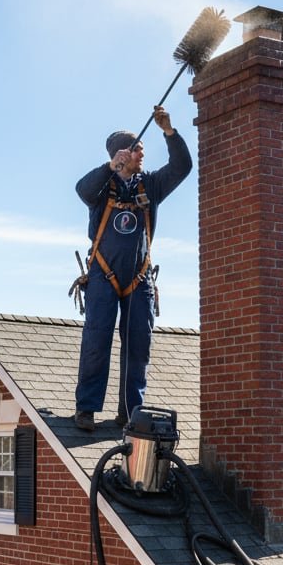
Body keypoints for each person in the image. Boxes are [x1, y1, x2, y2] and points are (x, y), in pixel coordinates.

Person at [73, 105, 192, 432]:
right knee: (96, 340)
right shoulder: (102, 186)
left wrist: (169, 131)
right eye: (137, 147)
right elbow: (81, 191)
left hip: (138, 278)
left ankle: (130, 411)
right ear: (121, 154)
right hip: (103, 276)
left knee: (138, 344)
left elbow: (182, 167)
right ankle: (86, 409)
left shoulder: (149, 186)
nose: (142, 152)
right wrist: (109, 168)